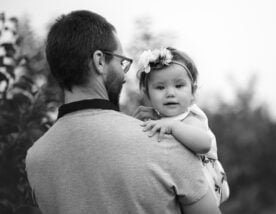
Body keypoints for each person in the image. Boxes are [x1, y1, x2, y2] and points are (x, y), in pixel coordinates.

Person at [25, 10, 221, 214]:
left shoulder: (35, 158)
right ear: (99, 61)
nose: (125, 75)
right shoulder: (166, 141)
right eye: (121, 62)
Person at [132, 47, 229, 206]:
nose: (170, 93)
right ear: (147, 94)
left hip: (204, 189)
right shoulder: (164, 119)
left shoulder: (190, 118)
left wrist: (172, 125)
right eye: (160, 87)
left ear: (193, 92)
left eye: (179, 86)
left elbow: (204, 144)